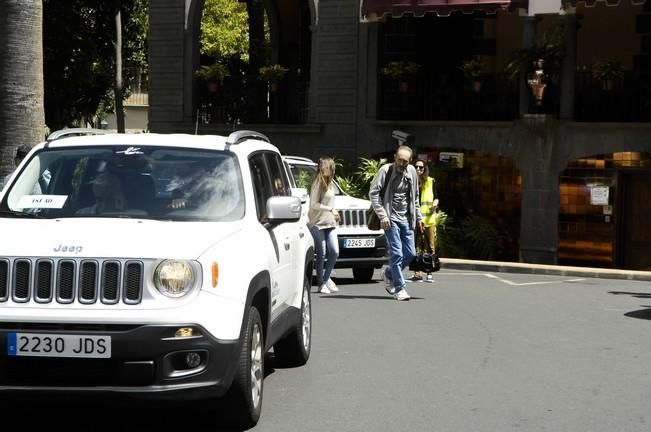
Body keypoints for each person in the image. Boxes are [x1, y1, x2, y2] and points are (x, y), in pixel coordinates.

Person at [369, 145, 423, 301]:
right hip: (390, 219)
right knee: (397, 253)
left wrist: (418, 217)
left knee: (410, 253)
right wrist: (383, 215)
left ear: (410, 161)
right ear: (395, 157)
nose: (401, 163)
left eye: (405, 161)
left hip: (407, 219)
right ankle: (399, 288)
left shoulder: (412, 171)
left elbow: (415, 197)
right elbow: (373, 193)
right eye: (399, 160)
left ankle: (389, 273)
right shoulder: (386, 170)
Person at [308, 157, 340, 294]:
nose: (333, 170)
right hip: (317, 223)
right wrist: (330, 209)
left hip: (330, 222)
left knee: (334, 251)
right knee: (321, 253)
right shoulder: (317, 183)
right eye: (331, 167)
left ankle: (326, 279)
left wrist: (335, 213)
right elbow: (313, 205)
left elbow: (331, 200)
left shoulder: (331, 182)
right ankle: (321, 284)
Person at [409, 159, 439, 283]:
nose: (418, 169)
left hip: (428, 220)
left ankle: (429, 272)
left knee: (430, 247)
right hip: (416, 220)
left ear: (425, 169)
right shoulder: (411, 181)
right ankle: (417, 274)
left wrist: (435, 204)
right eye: (416, 167)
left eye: (421, 168)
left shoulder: (431, 181)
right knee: (416, 247)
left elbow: (436, 197)